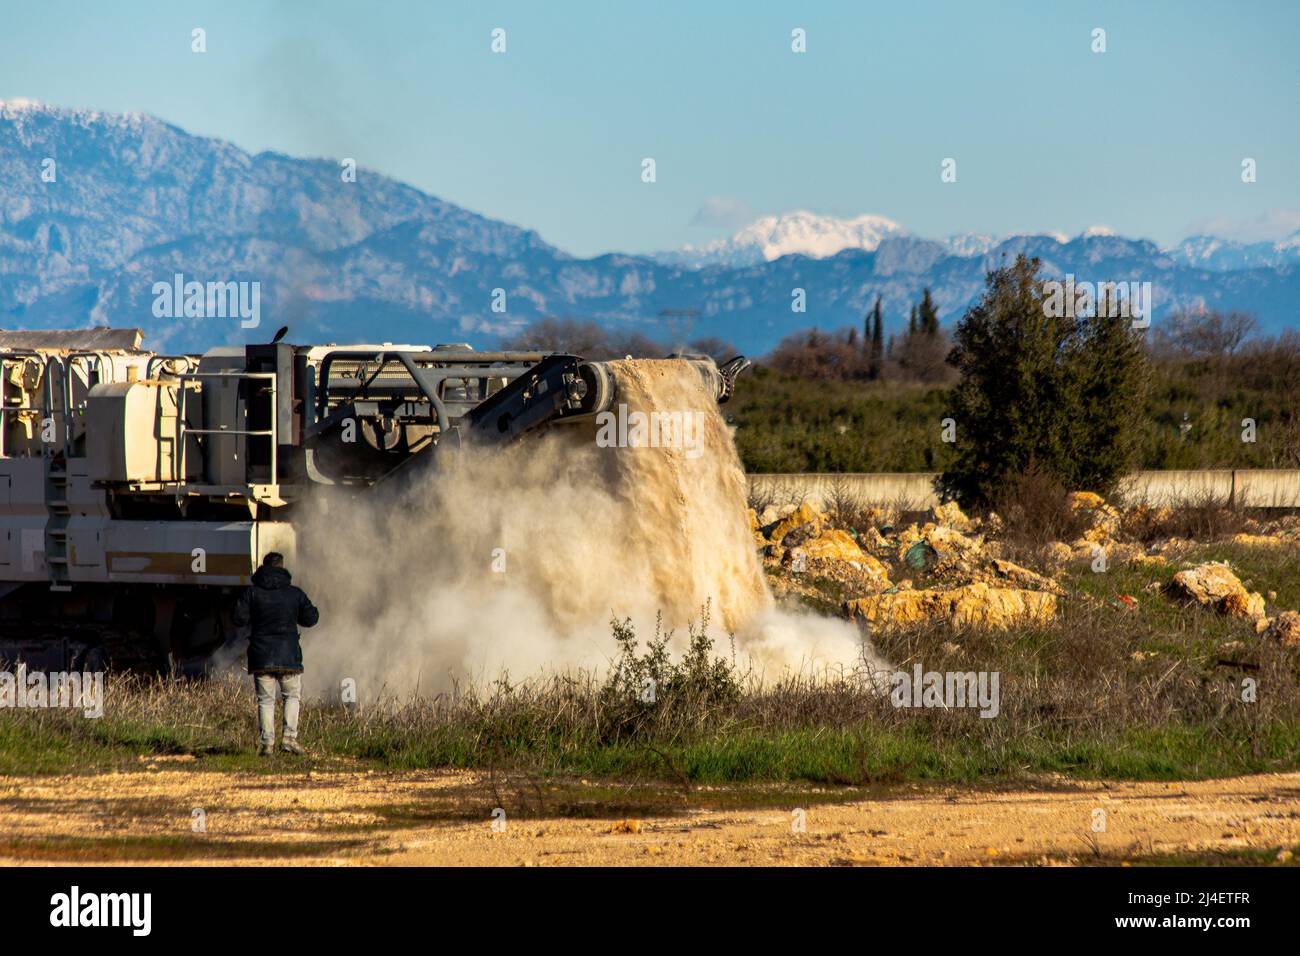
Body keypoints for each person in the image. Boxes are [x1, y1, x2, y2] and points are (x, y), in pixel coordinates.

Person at [232, 552, 320, 755]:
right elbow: (311, 618)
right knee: (291, 697)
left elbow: (238, 619)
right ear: (282, 567)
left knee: (265, 700)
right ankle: (289, 740)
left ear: (262, 568)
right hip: (289, 656)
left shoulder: (251, 593)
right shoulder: (294, 593)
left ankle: (267, 745)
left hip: (261, 656)